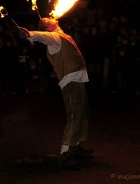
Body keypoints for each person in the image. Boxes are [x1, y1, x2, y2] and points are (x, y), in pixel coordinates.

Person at [19, 17, 93, 169]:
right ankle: (65, 153)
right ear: (47, 27)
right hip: (70, 81)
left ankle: (75, 146)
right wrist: (29, 34)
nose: (51, 16)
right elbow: (41, 36)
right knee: (74, 114)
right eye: (47, 19)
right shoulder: (53, 37)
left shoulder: (62, 35)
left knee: (82, 112)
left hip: (78, 79)